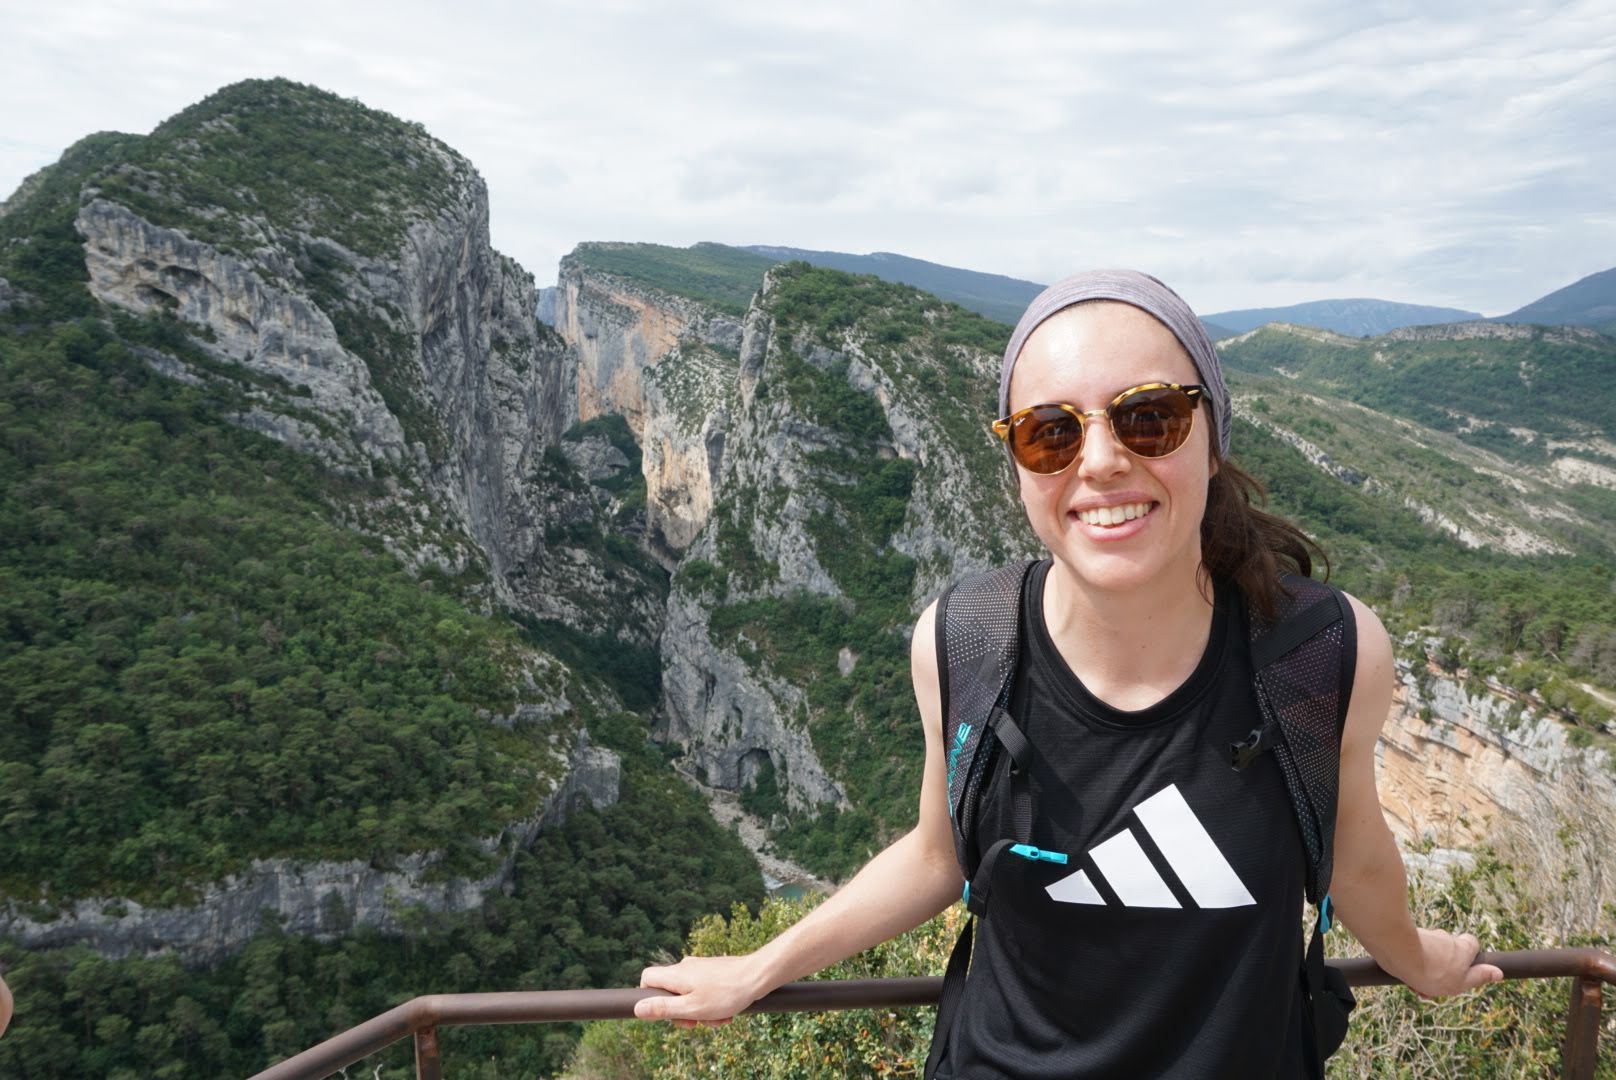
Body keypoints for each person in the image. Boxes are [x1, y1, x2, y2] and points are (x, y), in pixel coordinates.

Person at [635, 270, 1502, 1076]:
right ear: (1017, 464)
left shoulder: (1324, 652)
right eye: (1050, 433)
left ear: (1211, 436)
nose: (1100, 462)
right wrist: (761, 968)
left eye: (1149, 417)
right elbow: (939, 857)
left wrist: (1419, 960)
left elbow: (1355, 862)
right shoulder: (965, 640)